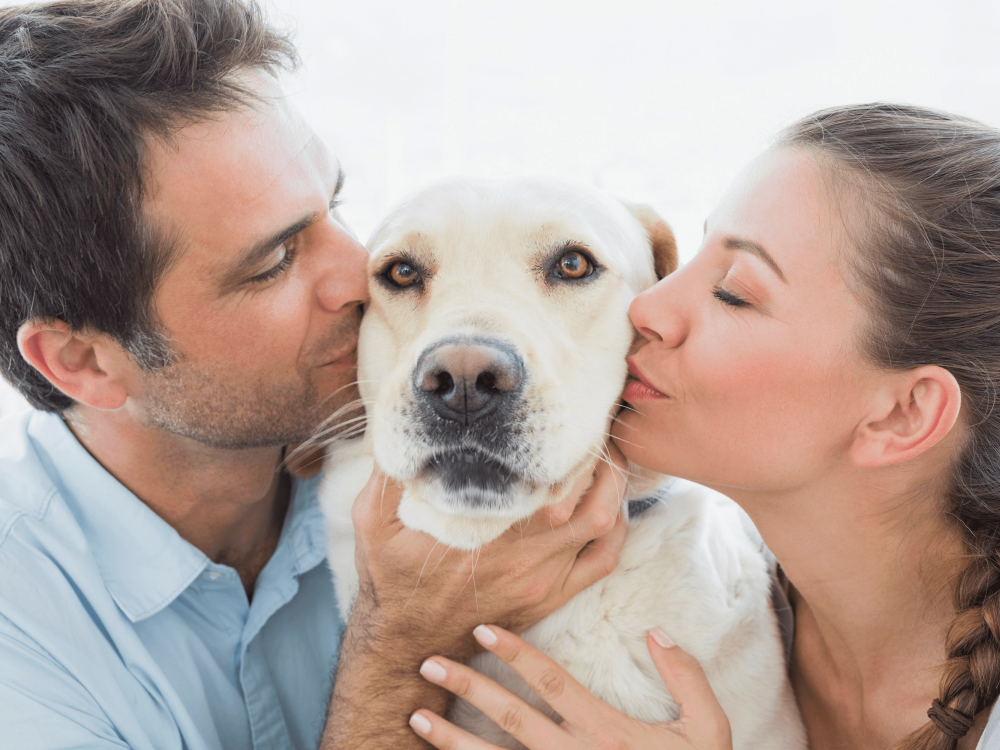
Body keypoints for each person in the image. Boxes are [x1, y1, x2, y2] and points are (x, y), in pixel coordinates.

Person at [0, 1, 629, 748]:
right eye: (274, 262)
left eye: (333, 205)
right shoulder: (24, 638)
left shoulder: (411, 450)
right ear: (84, 361)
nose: (360, 276)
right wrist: (396, 650)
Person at [408, 103, 1000, 750]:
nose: (647, 304)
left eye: (734, 292)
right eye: (692, 257)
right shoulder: (729, 612)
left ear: (901, 414)